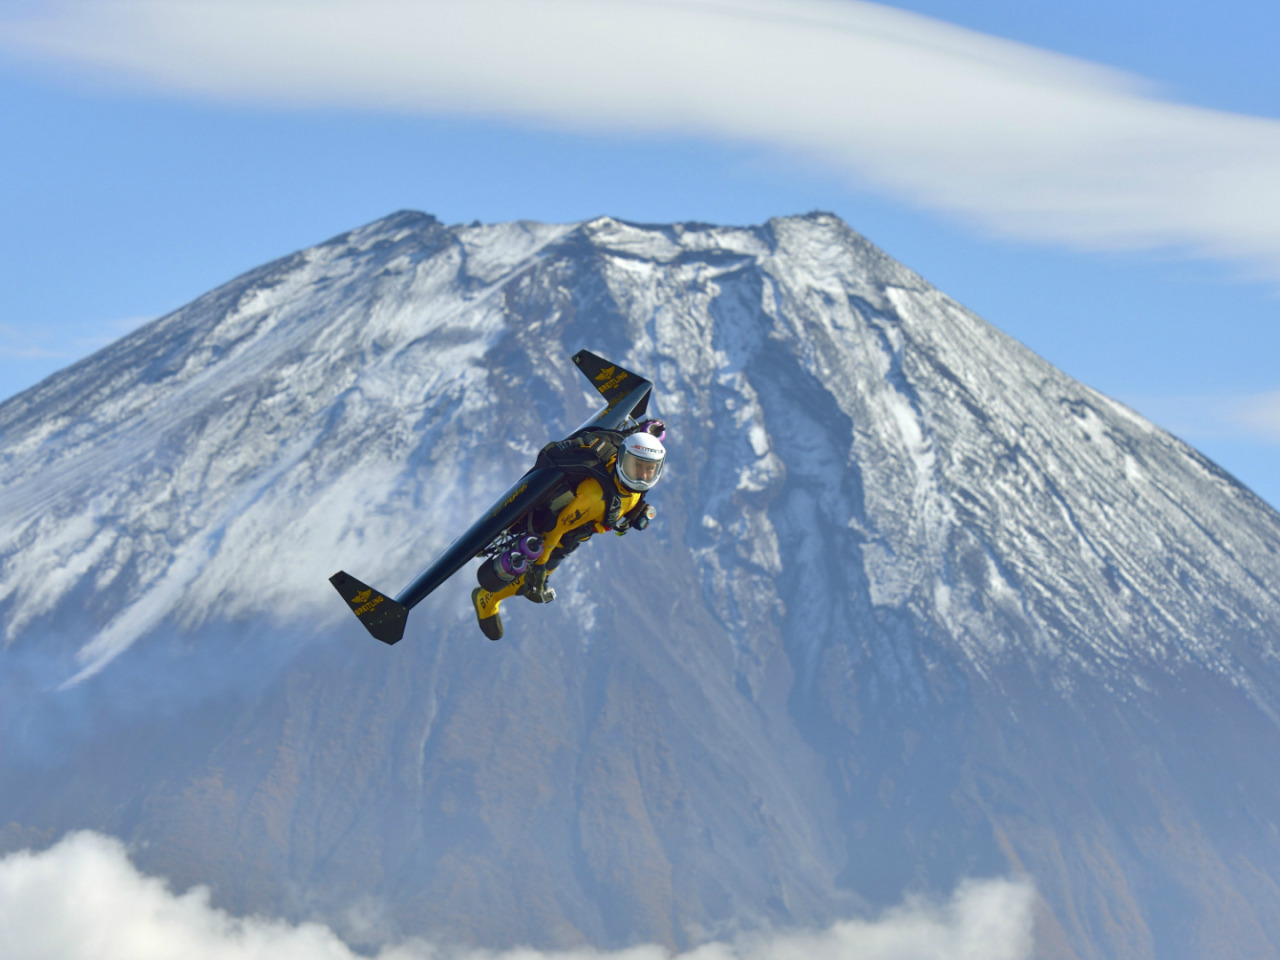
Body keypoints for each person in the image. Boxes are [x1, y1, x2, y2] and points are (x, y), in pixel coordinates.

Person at [470, 421, 666, 640]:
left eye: (650, 469)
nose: (642, 476)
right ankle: (487, 598)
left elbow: (632, 481)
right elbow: (554, 529)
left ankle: (493, 595)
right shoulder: (592, 498)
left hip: (583, 527)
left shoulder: (631, 482)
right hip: (563, 534)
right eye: (636, 467)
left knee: (542, 572)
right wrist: (541, 567)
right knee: (534, 580)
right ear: (621, 460)